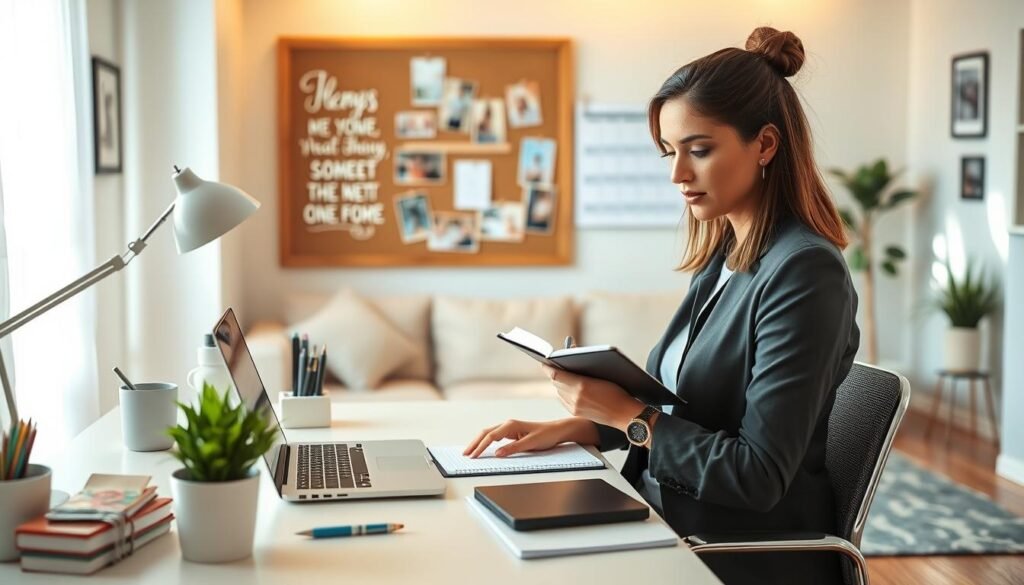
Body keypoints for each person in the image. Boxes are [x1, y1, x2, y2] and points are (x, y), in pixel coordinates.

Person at [464, 26, 858, 585]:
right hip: (667, 517)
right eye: (670, 152)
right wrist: (581, 426)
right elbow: (686, 410)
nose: (677, 174)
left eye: (699, 150)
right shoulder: (728, 253)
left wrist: (627, 415)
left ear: (765, 144)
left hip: (733, 551)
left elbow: (757, 475)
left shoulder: (806, 272)